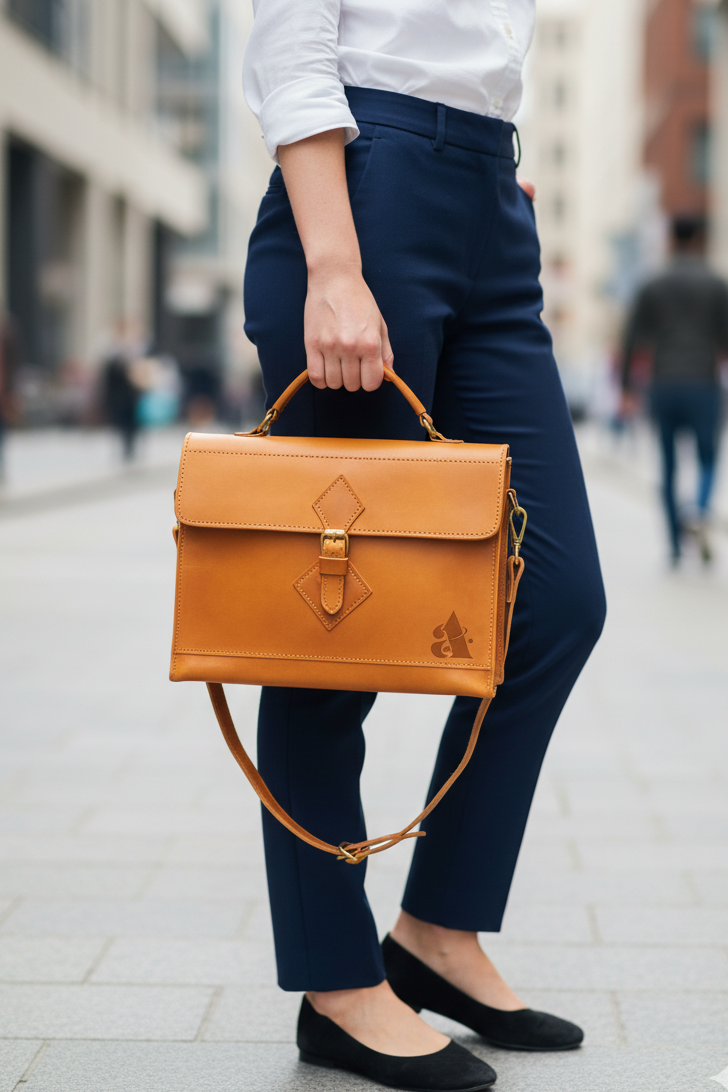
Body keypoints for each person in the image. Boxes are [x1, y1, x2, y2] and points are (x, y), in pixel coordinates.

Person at [242, 3, 607, 1088]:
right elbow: (296, 45)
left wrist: (484, 173)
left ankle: (437, 931)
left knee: (552, 600)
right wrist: (335, 265)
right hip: (366, 192)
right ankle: (334, 983)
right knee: (332, 624)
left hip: (487, 201)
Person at [621, 214, 728, 565]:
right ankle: (697, 509)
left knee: (667, 466)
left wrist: (625, 386)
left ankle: (675, 545)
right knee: (708, 457)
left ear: (671, 240)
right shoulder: (716, 284)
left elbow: (631, 338)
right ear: (699, 239)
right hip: (703, 383)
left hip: (663, 384)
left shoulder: (653, 284)